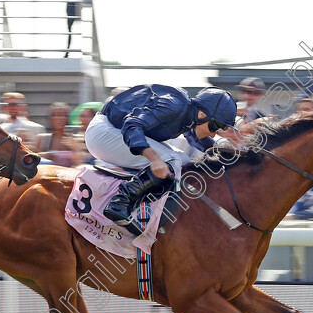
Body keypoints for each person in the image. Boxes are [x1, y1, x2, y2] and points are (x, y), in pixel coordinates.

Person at [84, 85, 237, 226]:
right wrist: (155, 159)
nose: (214, 133)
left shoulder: (189, 114)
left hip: (115, 131)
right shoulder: (174, 106)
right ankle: (120, 203)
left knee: (183, 161)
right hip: (103, 132)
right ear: (202, 114)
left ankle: (146, 209)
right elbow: (132, 125)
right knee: (172, 159)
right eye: (215, 126)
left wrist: (227, 156)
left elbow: (196, 138)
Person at [36, 102, 79, 167]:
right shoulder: (43, 139)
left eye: (62, 115)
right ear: (50, 119)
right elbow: (35, 160)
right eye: (54, 115)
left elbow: (80, 161)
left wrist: (75, 149)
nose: (58, 118)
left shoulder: (75, 139)